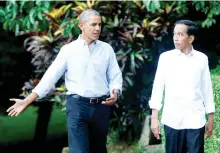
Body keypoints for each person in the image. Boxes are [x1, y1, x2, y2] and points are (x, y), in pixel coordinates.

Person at [6, 9, 123, 153]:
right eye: (93, 24)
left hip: (101, 107)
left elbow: (115, 77)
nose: (98, 28)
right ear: (81, 26)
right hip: (77, 106)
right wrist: (27, 100)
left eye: (99, 25)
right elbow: (50, 77)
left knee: (98, 150)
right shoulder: (68, 50)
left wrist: (115, 93)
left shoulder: (107, 49)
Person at [149, 20, 215, 153]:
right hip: (172, 120)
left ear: (191, 38)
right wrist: (154, 118)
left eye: (180, 34)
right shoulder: (166, 58)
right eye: (174, 34)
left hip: (195, 120)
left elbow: (207, 89)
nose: (175, 38)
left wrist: (211, 118)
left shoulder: (202, 59)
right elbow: (157, 88)